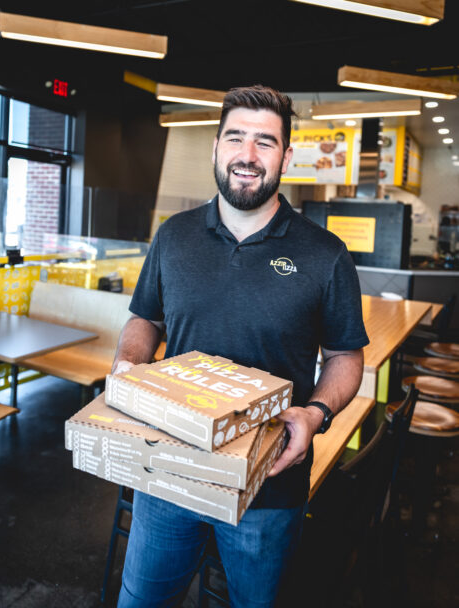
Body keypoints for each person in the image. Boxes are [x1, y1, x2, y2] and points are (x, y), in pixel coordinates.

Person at [112, 84, 369, 608]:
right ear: (216, 147)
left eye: (265, 142)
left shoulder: (325, 254)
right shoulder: (174, 235)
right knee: (141, 600)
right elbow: (145, 318)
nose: (247, 156)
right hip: (167, 470)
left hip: (268, 485)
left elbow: (346, 355)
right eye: (236, 138)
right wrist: (129, 364)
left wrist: (316, 413)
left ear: (287, 157)